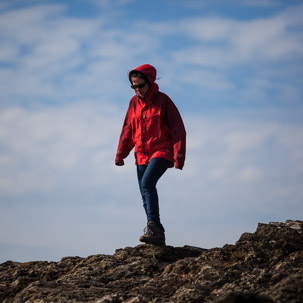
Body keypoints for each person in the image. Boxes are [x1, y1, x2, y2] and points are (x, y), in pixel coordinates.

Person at [115, 64, 186, 246]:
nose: (137, 90)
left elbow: (178, 128)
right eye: (134, 86)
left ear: (150, 82)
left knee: (147, 184)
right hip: (140, 154)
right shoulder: (133, 103)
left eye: (141, 86)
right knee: (144, 193)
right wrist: (121, 154)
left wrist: (179, 155)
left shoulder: (163, 101)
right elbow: (128, 130)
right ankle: (157, 232)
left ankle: (153, 226)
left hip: (161, 151)